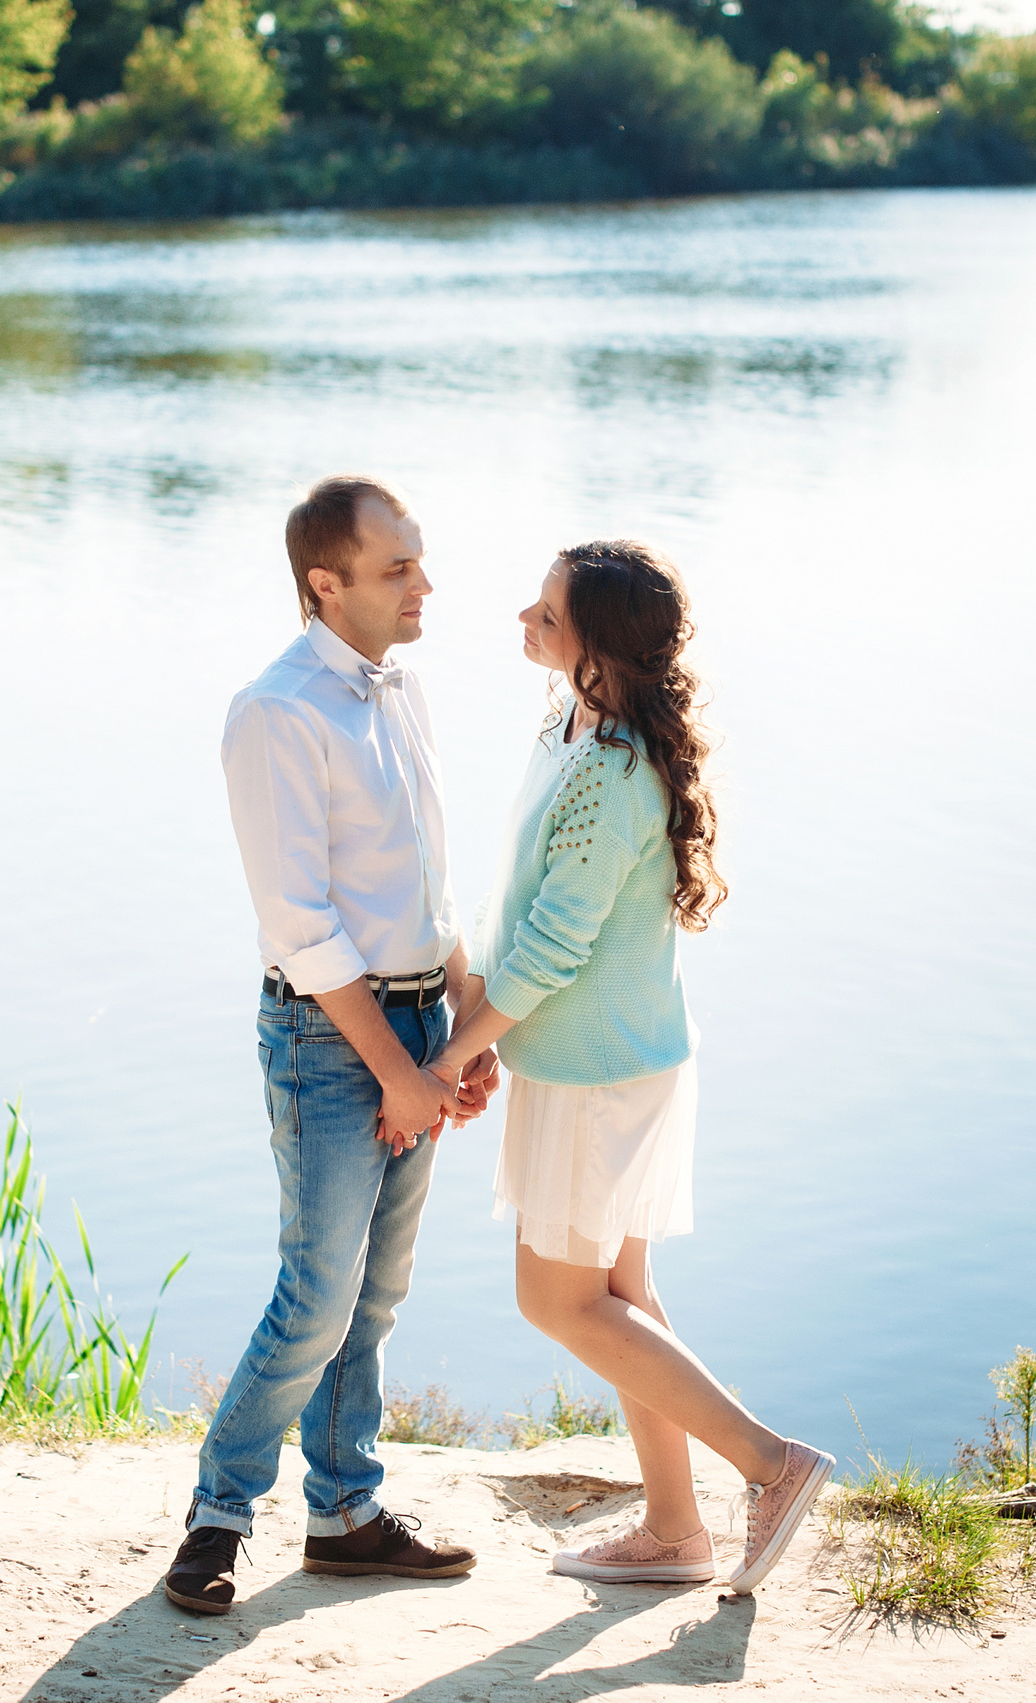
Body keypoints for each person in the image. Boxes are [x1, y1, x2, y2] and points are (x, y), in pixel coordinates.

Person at [428, 539, 835, 1594]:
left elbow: (553, 946)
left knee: (559, 1301)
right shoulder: (570, 721)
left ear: (598, 646)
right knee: (617, 1294)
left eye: (548, 611)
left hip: (594, 1069)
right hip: (603, 1054)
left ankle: (771, 1464)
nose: (524, 614)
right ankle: (673, 1528)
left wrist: (450, 1055)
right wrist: (474, 1028)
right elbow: (518, 912)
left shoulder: (611, 774)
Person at [164, 475, 497, 1617]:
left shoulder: (400, 689)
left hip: (415, 1020)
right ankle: (218, 1515)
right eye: (398, 566)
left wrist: (458, 1013)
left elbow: (426, 880)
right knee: (316, 1294)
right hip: (326, 1033)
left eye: (418, 559)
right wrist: (397, 1071)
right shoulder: (276, 710)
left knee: (377, 1293)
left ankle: (347, 1513)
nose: (424, 583)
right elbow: (302, 926)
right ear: (327, 582)